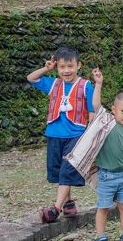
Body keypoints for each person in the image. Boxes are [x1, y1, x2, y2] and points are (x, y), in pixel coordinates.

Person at [65, 68, 123, 241]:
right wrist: (98, 84)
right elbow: (96, 105)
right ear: (114, 110)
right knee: (103, 207)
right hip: (105, 175)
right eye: (122, 111)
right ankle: (100, 238)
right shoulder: (106, 122)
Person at [27, 46, 95, 223]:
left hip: (76, 134)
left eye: (70, 66)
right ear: (56, 67)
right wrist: (46, 69)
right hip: (55, 133)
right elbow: (31, 78)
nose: (66, 71)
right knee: (58, 170)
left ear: (78, 65)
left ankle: (55, 209)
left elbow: (92, 110)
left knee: (67, 169)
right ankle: (68, 204)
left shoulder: (85, 85)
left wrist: (90, 133)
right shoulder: (53, 84)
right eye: (62, 67)